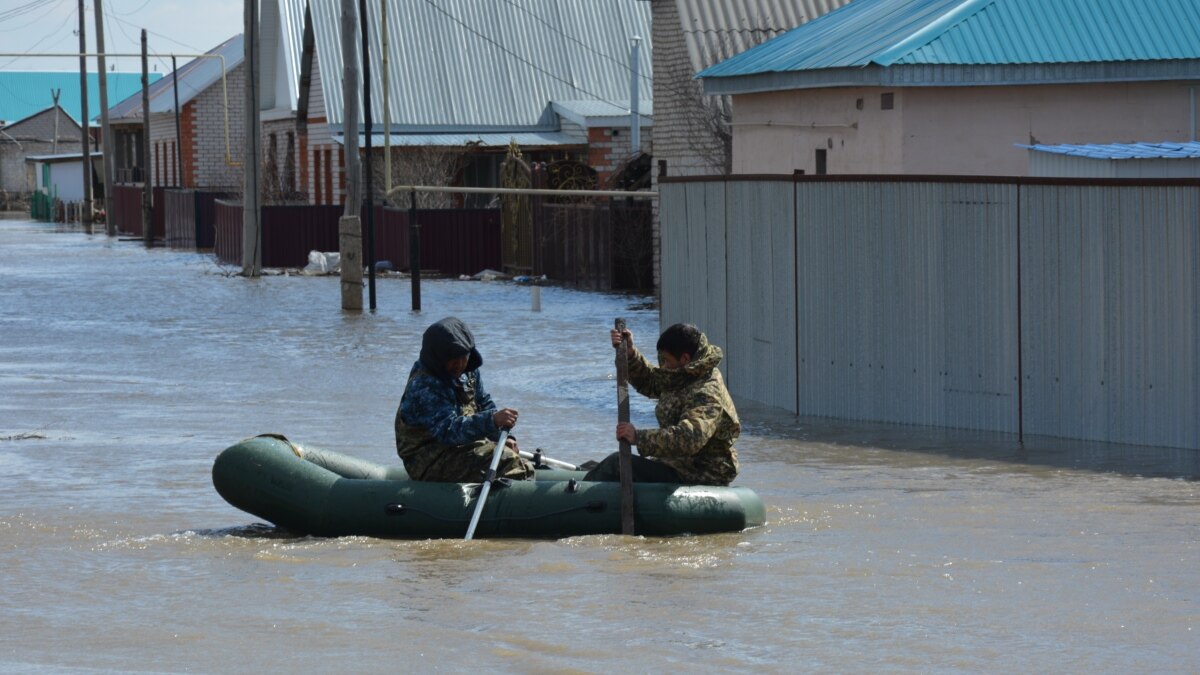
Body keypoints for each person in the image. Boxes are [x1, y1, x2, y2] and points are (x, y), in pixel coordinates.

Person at [584, 323, 740, 485]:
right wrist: (630, 354)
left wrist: (639, 437)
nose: (663, 365)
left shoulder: (706, 391)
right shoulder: (683, 373)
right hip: (677, 463)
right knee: (593, 467)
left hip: (702, 471)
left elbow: (690, 438)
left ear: (685, 359)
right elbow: (653, 382)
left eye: (666, 360)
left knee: (616, 464)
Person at [394, 317, 535, 483]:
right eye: (453, 359)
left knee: (512, 457)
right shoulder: (424, 386)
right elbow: (448, 430)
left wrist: (505, 437)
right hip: (428, 460)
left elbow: (483, 403)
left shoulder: (467, 371)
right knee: (508, 463)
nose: (460, 364)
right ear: (438, 357)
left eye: (464, 357)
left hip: (460, 448)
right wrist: (492, 421)